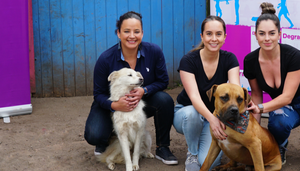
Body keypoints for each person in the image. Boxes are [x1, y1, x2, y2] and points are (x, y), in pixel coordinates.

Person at [84, 11, 178, 165]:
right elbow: (98, 94)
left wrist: (144, 90)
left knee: (165, 100)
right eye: (126, 31)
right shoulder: (106, 59)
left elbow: (163, 81)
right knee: (94, 134)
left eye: (136, 31)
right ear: (118, 33)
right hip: (111, 104)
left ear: (142, 33)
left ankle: (163, 147)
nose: (132, 36)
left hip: (141, 101)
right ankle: (106, 140)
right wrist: (114, 105)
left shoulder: (154, 52)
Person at [173, 15, 240, 171]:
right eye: (209, 34)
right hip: (186, 114)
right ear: (202, 36)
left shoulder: (230, 59)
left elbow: (236, 89)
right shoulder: (188, 60)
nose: (213, 39)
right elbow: (194, 97)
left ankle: (205, 150)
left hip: (213, 117)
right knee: (191, 114)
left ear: (224, 37)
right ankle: (192, 152)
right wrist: (213, 119)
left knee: (206, 165)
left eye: (218, 34)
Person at [244, 2, 300, 166]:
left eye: (271, 33)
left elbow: (288, 96)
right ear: (255, 35)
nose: (267, 38)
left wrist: (260, 108)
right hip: (286, 108)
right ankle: (279, 147)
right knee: (277, 120)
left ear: (280, 34)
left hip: (292, 100)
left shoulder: (294, 56)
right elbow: (256, 95)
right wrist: (255, 134)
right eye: (262, 33)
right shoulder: (250, 61)